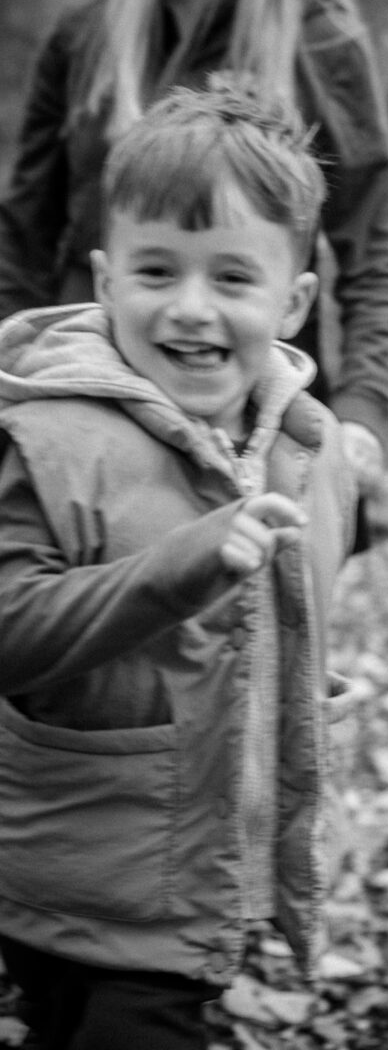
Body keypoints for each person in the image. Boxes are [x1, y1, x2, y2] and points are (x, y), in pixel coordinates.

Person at [0, 81, 358, 1049]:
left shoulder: (305, 446)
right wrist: (174, 572)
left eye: (232, 279)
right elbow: (11, 631)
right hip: (60, 864)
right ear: (107, 278)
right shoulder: (45, 437)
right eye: (158, 272)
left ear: (294, 300)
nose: (190, 309)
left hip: (190, 886)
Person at [0, 0, 388, 502]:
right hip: (85, 400)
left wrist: (362, 411)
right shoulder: (87, 27)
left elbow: (373, 246)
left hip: (251, 423)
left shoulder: (324, 43)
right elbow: (24, 231)